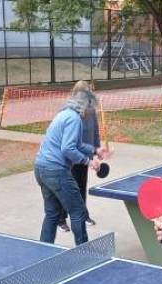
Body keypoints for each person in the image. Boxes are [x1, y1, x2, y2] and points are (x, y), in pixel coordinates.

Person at [34, 90, 108, 245]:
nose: (91, 112)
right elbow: (67, 149)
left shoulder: (64, 114)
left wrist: (95, 150)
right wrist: (89, 162)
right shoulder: (74, 119)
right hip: (56, 171)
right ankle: (84, 253)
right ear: (84, 106)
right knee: (78, 212)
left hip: (41, 168)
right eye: (90, 108)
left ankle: (42, 250)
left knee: (52, 214)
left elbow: (77, 144)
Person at [58, 81, 101, 232]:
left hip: (84, 155)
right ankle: (61, 218)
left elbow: (95, 131)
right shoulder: (68, 111)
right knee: (68, 188)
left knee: (81, 186)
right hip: (70, 156)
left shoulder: (91, 110)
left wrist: (96, 150)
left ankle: (83, 215)